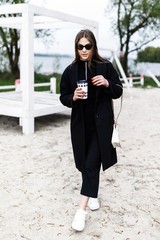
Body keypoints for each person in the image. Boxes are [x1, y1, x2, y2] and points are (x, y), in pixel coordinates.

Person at [59, 29, 123, 231]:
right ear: (76, 48)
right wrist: (73, 97)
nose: (84, 50)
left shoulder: (105, 66)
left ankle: (81, 212)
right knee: (83, 163)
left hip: (101, 126)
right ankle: (93, 194)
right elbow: (63, 97)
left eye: (88, 46)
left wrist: (106, 83)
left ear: (93, 46)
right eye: (80, 46)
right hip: (80, 126)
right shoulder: (70, 71)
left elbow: (118, 90)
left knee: (91, 164)